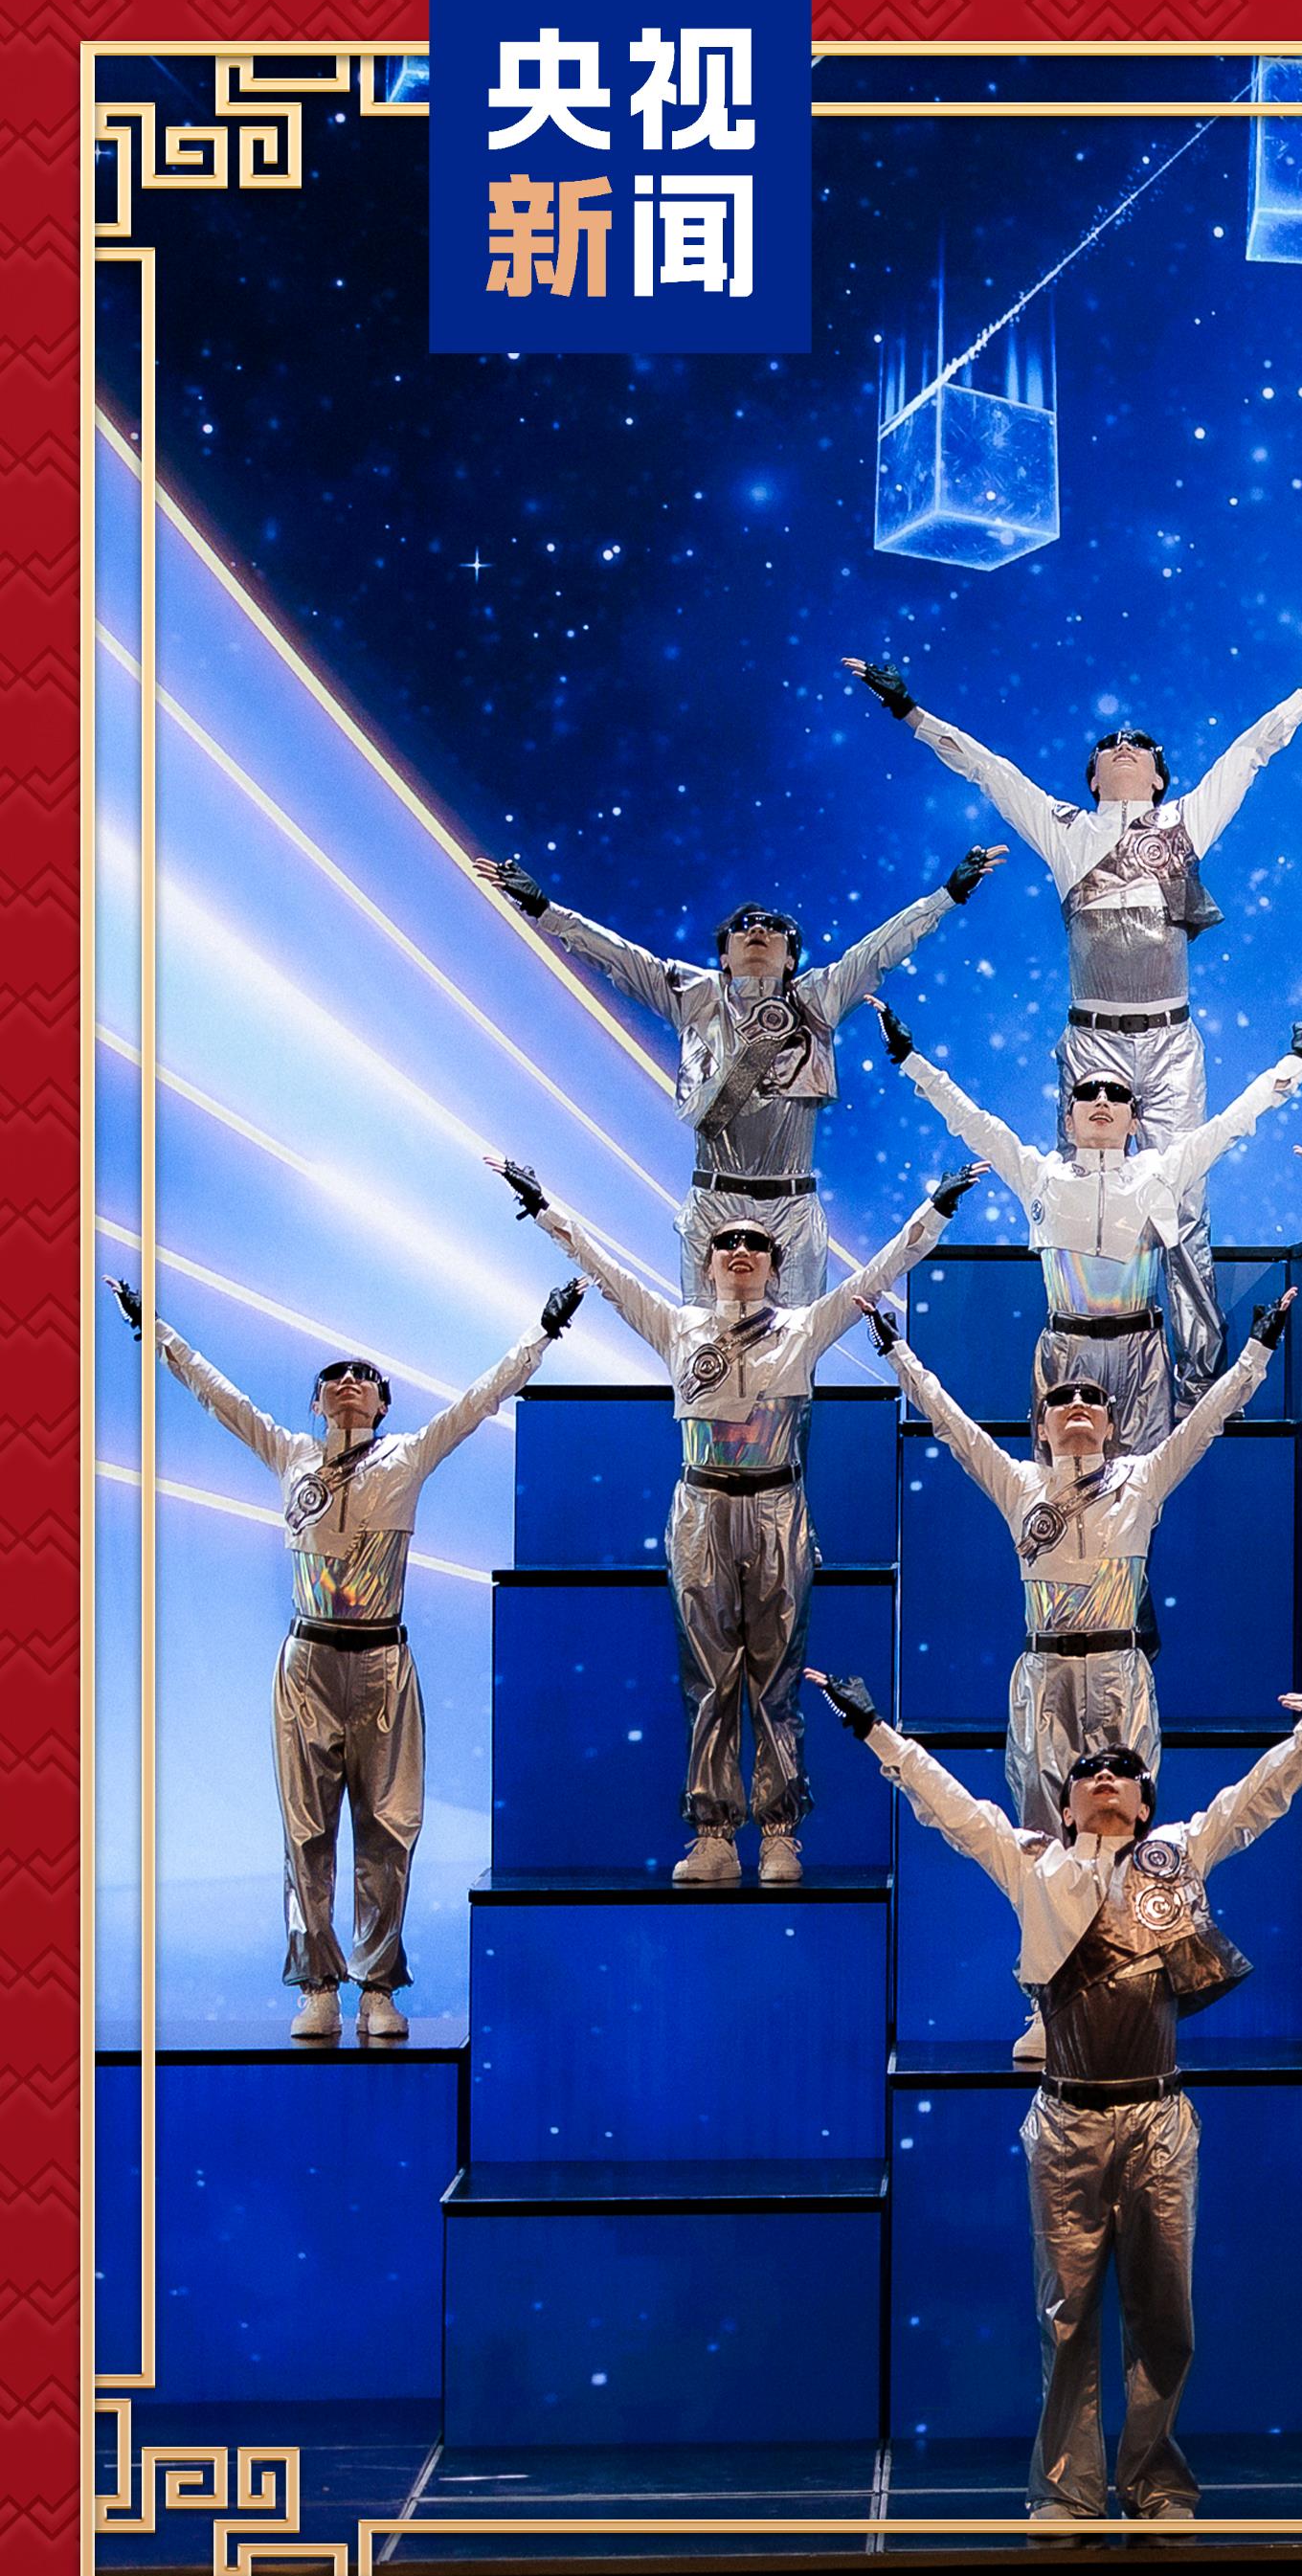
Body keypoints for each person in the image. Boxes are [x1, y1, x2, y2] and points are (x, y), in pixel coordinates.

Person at [816, 1659, 1302, 2531]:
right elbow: (946, 1803)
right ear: (1064, 1806)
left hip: (1158, 2117)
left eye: (1123, 1770)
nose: (1106, 1774)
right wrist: (871, 1727)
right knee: (1067, 2313)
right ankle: (1067, 2489)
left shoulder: (1174, 1856)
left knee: (1165, 2313)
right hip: (1066, 2117)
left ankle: (1158, 2484)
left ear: (1144, 1805)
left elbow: (1260, 1794)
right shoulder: (1032, 1863)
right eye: (1088, 1770)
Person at [844, 632, 1302, 1392]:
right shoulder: (1065, 831)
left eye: (1139, 743)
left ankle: (1199, 1383)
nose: (1123, 744)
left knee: (1184, 1207)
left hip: (1171, 1042)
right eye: (1110, 744)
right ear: (1091, 776)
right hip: (1091, 1044)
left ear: (1160, 775)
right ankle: (1078, 1380)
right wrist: (909, 709)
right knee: (1078, 1206)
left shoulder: (1185, 823)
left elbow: (1250, 752)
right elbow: (988, 770)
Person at [112, 1276, 573, 2038]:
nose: (349, 1380)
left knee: (389, 1828)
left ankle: (378, 1986)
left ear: (384, 1402)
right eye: (334, 1374)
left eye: (364, 1374)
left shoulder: (408, 1456)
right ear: (316, 1401)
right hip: (308, 1663)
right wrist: (155, 1328)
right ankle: (317, 1984)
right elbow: (219, 1397)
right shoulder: (291, 1454)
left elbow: (481, 1398)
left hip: (383, 1661)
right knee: (306, 1828)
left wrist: (544, 1331)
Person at [500, 1155, 966, 1882]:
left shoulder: (802, 1328)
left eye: (755, 1243)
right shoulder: (678, 1327)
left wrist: (935, 1211)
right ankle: (713, 1835)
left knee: (775, 1675)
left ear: (775, 1267)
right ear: (708, 1262)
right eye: (727, 1242)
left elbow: (877, 1274)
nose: (740, 1250)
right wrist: (542, 1205)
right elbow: (605, 1269)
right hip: (700, 1508)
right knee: (709, 1676)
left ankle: (780, 1833)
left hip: (778, 1505)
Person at [477, 848, 989, 1296]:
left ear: (791, 960)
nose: (758, 931)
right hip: (712, 1203)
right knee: (703, 1345)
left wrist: (945, 896)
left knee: (795, 1349)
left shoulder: (818, 998)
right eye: (744, 928)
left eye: (774, 929)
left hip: (793, 1208)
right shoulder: (694, 995)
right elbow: (618, 957)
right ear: (724, 957)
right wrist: (545, 911)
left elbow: (879, 950)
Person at [882, 1292, 1295, 1838]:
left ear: (1111, 1425)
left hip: (1120, 1674)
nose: (1077, 1400)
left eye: (1093, 1398)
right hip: (1044, 1676)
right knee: (1041, 1835)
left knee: (1125, 1826)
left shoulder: (1142, 1479)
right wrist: (896, 1352)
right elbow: (949, 1422)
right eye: (1060, 1397)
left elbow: (1205, 1422)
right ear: (1041, 1426)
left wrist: (1258, 1351)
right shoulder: (1019, 1484)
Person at [885, 1002, 1302, 1450]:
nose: (1102, 1100)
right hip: (1065, 1352)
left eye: (1117, 1095)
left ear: (1135, 1120)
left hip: (1143, 1356)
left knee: (1145, 1484)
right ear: (1068, 1118)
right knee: (1062, 1482)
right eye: (1089, 1092)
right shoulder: (1041, 1176)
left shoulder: (1160, 1173)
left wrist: (1297, 1061)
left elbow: (1232, 1123)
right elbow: (972, 1121)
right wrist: (909, 1058)